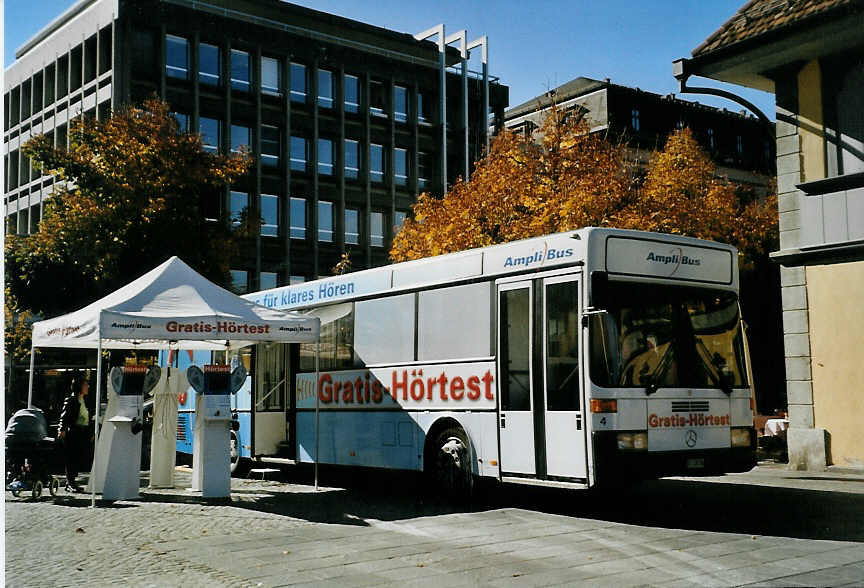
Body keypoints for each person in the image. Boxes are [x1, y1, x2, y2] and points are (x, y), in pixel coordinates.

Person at [58, 375, 91, 492]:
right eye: (85, 385)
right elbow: (64, 416)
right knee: (71, 458)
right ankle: (70, 483)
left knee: (77, 458)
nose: (87, 387)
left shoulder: (83, 400)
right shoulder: (72, 400)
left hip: (81, 432)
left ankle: (72, 482)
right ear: (79, 387)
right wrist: (61, 429)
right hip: (73, 432)